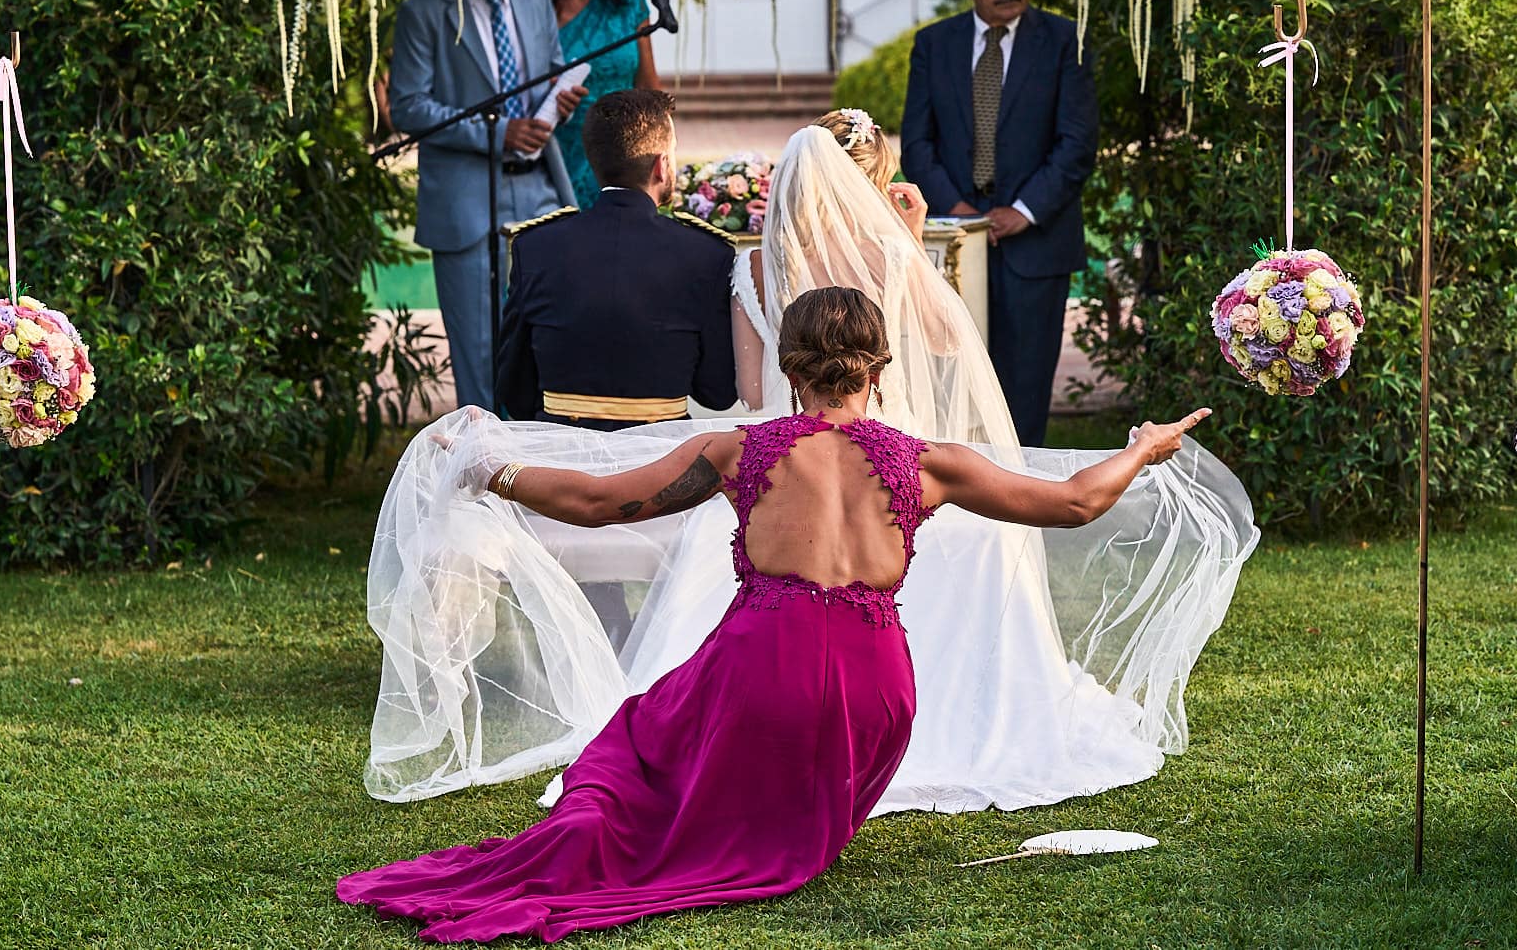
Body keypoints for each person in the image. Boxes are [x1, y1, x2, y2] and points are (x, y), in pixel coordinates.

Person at [339, 287, 1213, 943]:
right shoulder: (927, 463)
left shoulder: (735, 450)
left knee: (633, 746)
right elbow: (1070, 504)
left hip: (762, 673)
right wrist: (1141, 448)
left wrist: (491, 468)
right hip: (876, 702)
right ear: (879, 369)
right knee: (689, 749)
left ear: (790, 367)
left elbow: (600, 503)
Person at [389, 0, 588, 412]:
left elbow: (549, 70)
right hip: (465, 204)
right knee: (480, 358)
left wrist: (558, 101)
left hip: (540, 191)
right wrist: (496, 133)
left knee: (550, 342)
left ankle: (545, 473)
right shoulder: (424, 11)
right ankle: (483, 479)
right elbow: (408, 107)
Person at [900, 0, 1098, 448]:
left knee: (1024, 393)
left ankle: (1021, 505)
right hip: (954, 246)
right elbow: (917, 144)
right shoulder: (934, 45)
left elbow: (1077, 144)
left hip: (1036, 245)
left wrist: (1023, 211)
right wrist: (960, 212)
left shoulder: (1063, 42)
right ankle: (958, 506)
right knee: (952, 384)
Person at [733, 113, 1020, 452]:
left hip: (788, 454)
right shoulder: (892, 257)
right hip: (881, 451)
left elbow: (753, 395)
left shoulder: (752, 266)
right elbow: (947, 340)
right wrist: (912, 242)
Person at [495, 89, 736, 432]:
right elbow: (717, 392)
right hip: (662, 461)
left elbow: (514, 390)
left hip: (562, 457)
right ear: (661, 166)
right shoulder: (707, 253)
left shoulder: (535, 245)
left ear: (595, 161)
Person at [519, 0, 661, 209]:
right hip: (548, 164)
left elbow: (649, 86)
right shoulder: (523, 4)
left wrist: (658, 159)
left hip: (622, 164)